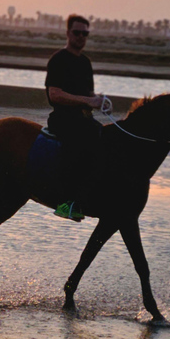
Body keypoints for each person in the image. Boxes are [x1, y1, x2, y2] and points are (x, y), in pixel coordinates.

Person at [44, 14, 104, 222]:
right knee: (79, 142)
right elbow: (55, 94)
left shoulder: (86, 63)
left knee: (104, 137)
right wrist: (87, 101)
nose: (81, 37)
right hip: (62, 118)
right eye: (77, 33)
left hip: (83, 118)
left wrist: (100, 101)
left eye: (85, 34)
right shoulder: (58, 60)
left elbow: (89, 95)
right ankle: (64, 202)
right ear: (68, 33)